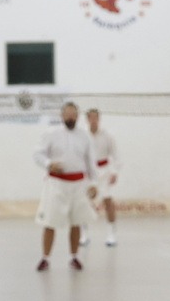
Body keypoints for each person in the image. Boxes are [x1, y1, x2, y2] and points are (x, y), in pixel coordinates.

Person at [34, 101, 98, 271]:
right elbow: (37, 154)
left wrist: (94, 183)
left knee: (76, 221)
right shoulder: (51, 134)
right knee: (50, 221)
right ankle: (45, 257)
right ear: (62, 116)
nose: (70, 117)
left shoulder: (85, 137)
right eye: (67, 114)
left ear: (77, 116)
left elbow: (91, 163)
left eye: (73, 114)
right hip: (56, 184)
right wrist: (49, 163)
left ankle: (74, 256)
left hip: (78, 185)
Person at [87, 108, 120, 246]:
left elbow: (116, 155)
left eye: (96, 117)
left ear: (99, 119)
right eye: (91, 118)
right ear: (87, 119)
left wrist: (114, 172)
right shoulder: (83, 135)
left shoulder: (108, 135)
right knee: (84, 202)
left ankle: (111, 233)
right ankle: (84, 234)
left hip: (105, 171)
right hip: (89, 172)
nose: (94, 120)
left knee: (108, 201)